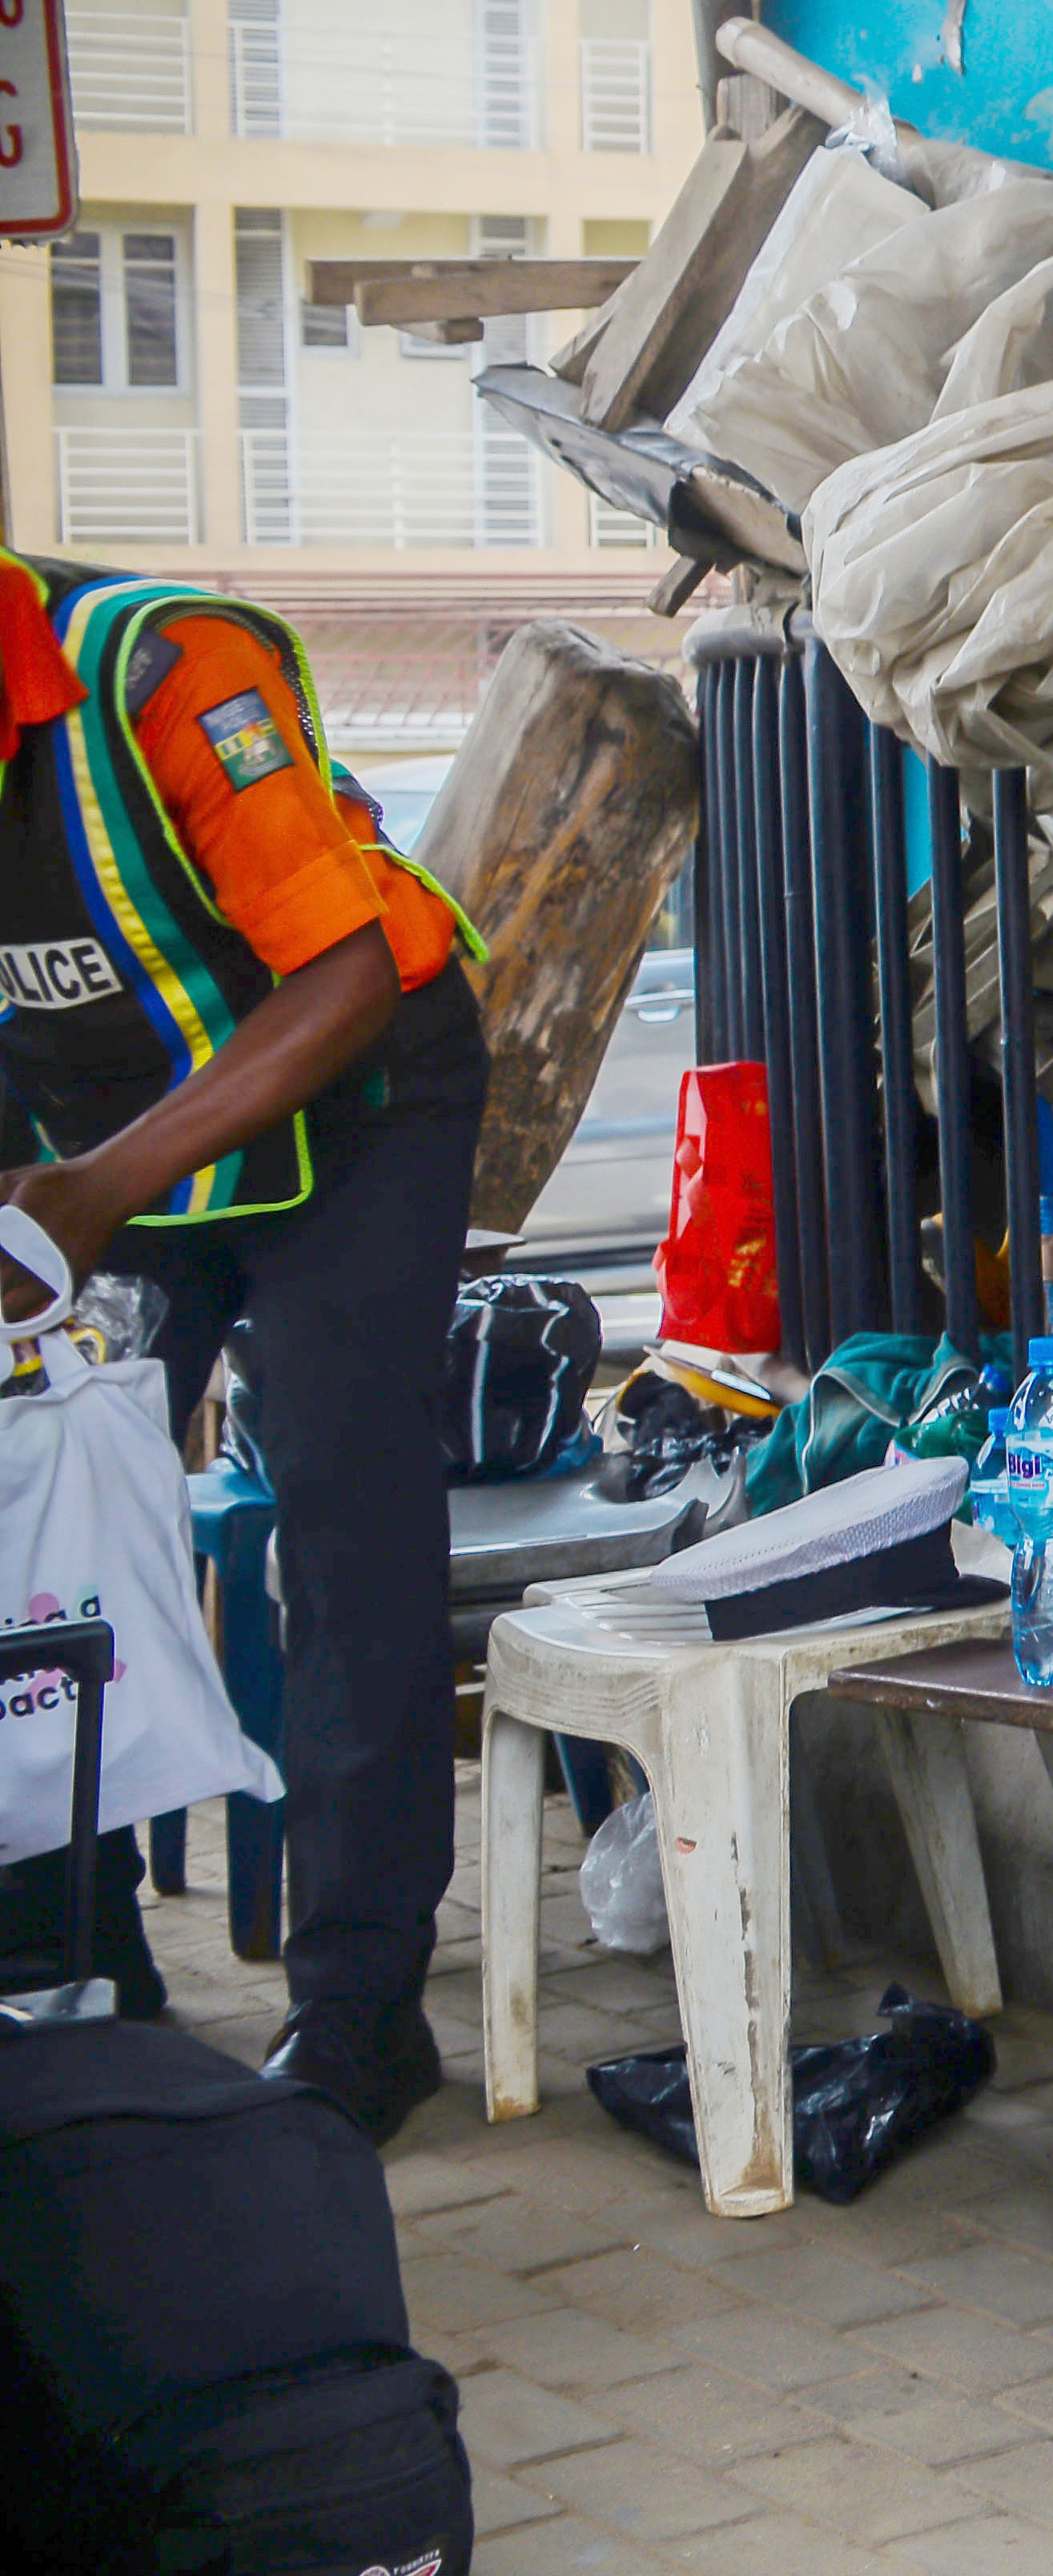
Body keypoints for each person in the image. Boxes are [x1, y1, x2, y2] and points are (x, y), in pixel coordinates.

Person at [0, 545, 484, 2143]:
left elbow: (349, 967)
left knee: (343, 1528)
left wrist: (93, 1195)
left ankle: (360, 2017)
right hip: (102, 1139)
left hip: (357, 1107)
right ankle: (81, 1975)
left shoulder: (162, 669)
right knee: (36, 1521)